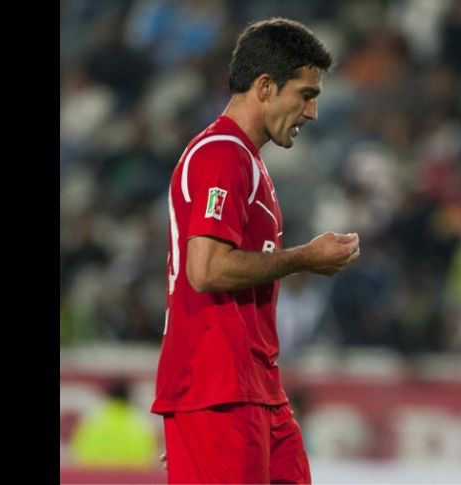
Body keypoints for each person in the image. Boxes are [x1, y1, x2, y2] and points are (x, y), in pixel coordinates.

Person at [151, 18, 360, 484]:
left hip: (252, 387)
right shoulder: (220, 154)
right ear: (266, 86)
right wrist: (305, 258)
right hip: (219, 386)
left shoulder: (247, 162)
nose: (312, 113)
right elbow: (204, 270)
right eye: (306, 95)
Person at [70, 379, 158, 468]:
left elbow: (77, 451)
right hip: (131, 475)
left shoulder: (94, 418)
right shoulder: (139, 420)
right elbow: (151, 456)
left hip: (94, 473)